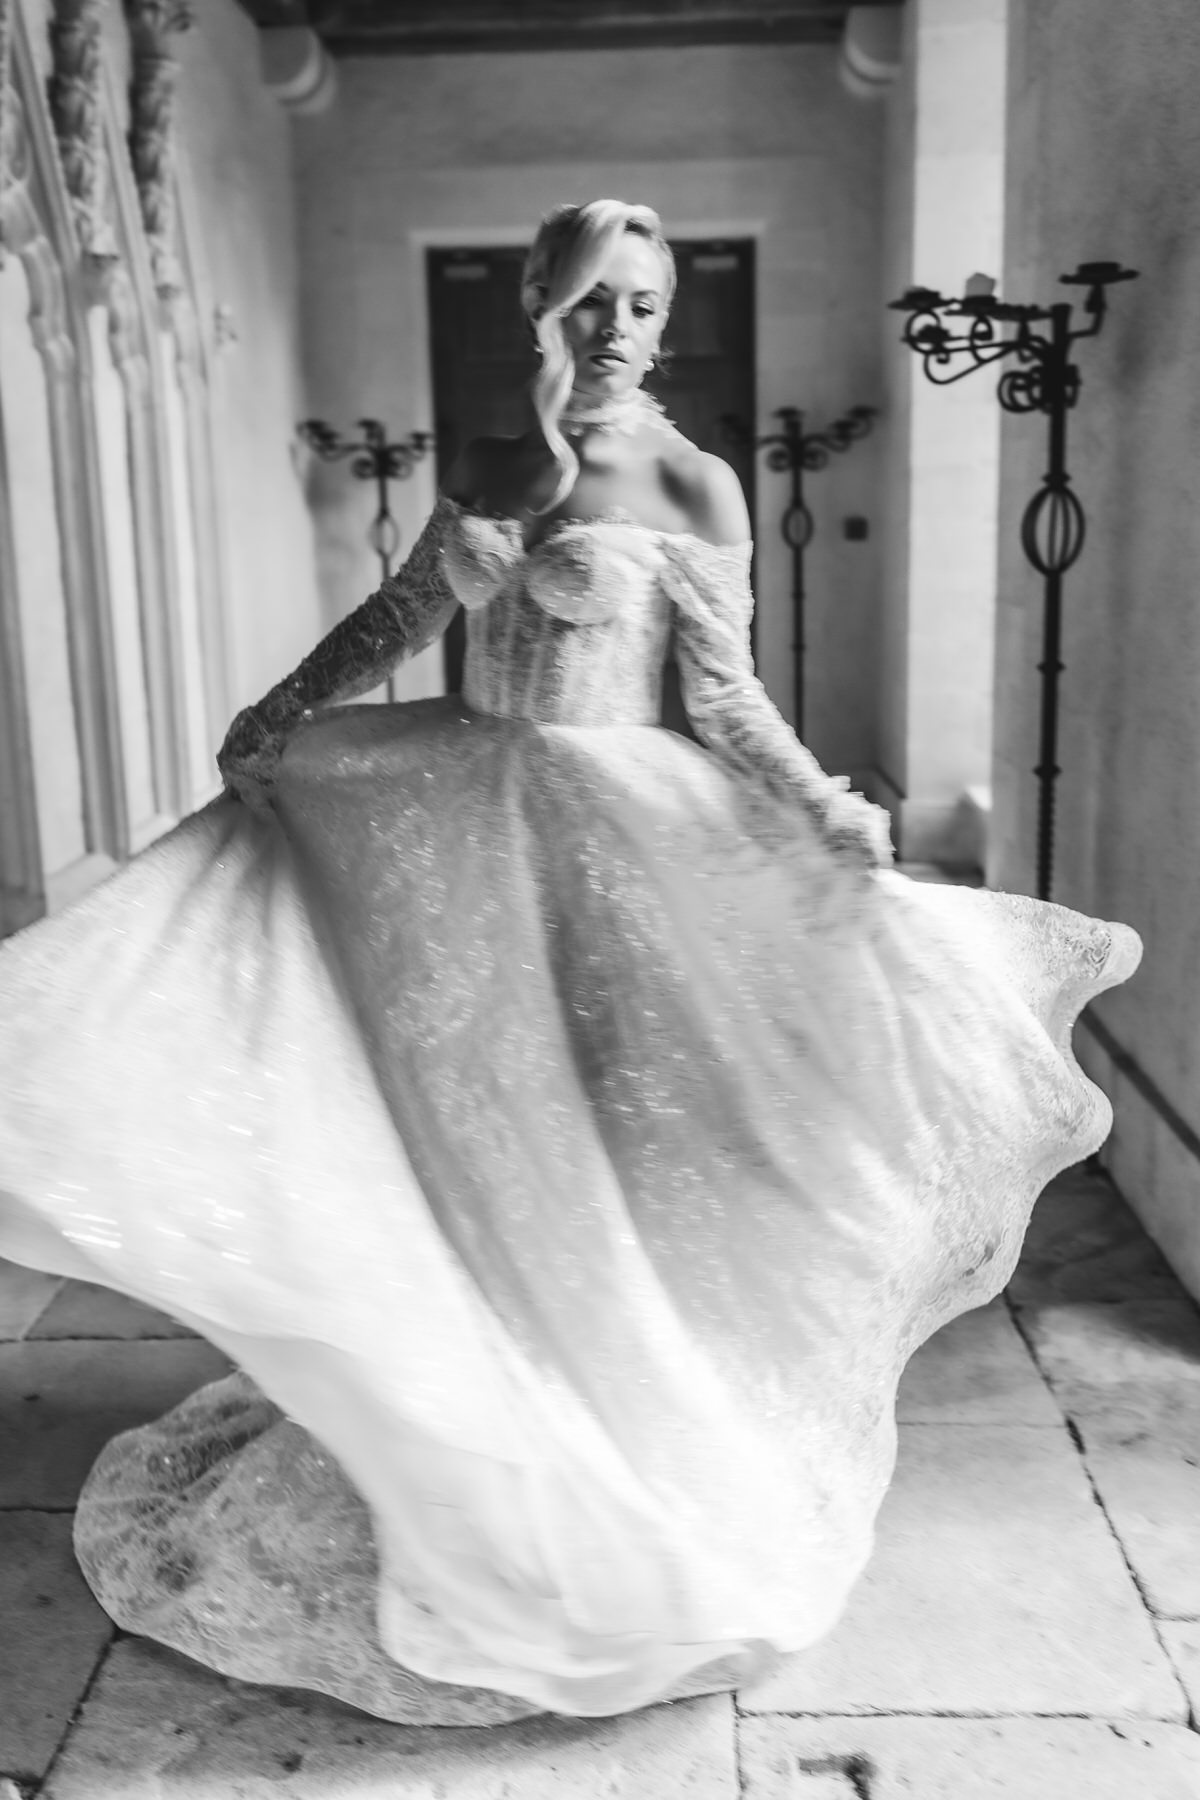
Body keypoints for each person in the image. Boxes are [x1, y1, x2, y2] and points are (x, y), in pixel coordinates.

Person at [0, 199, 1139, 1725]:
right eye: (597, 301)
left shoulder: (693, 480)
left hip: (623, 844)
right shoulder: (486, 458)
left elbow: (725, 698)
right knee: (452, 1144)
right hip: (444, 830)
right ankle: (469, 1439)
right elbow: (398, 617)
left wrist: (820, 804)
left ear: (674, 320)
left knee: (604, 1156)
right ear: (545, 307)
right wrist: (276, 715)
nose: (622, 329)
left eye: (648, 304)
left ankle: (612, 1463)